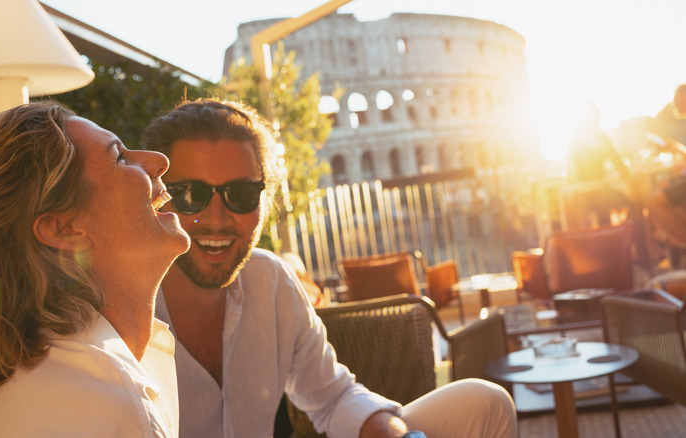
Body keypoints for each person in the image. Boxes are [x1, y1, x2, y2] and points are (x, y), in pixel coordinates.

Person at [143, 98, 517, 438]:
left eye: (239, 194)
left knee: (484, 401)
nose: (218, 218)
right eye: (190, 194)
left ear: (264, 200)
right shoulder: (120, 307)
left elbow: (333, 397)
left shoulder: (269, 280)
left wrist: (395, 435)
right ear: (156, 198)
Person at [0, 101, 190, 437]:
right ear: (63, 229)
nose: (159, 161)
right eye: (119, 158)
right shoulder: (107, 402)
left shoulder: (76, 379)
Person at [563, 100, 634, 230]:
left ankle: (593, 240)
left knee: (603, 202)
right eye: (597, 115)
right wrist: (627, 177)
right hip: (596, 192)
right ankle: (624, 239)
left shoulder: (573, 138)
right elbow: (619, 165)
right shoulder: (600, 135)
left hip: (576, 195)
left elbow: (570, 175)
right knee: (633, 202)